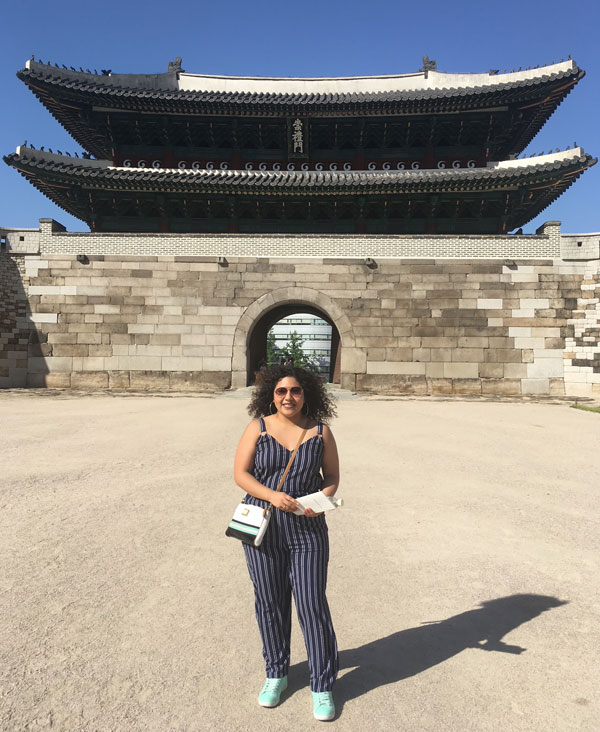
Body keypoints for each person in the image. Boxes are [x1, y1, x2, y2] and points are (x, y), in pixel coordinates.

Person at [233, 365, 339, 721]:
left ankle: (321, 685)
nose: (288, 397)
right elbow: (241, 474)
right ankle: (276, 673)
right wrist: (272, 496)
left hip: (307, 530)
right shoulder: (257, 427)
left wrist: (318, 501)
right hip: (263, 527)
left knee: (312, 605)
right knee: (270, 603)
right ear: (271, 395)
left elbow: (332, 478)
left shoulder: (321, 432)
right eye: (281, 391)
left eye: (295, 391)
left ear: (306, 394)